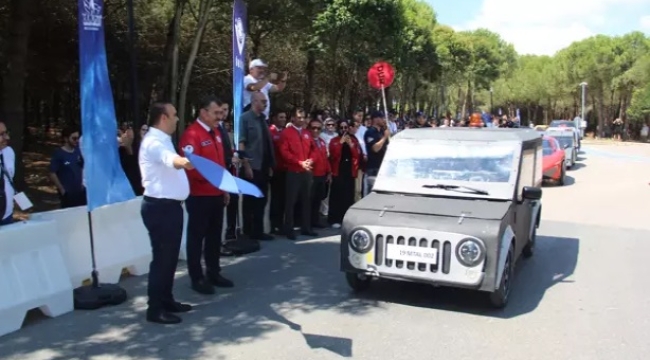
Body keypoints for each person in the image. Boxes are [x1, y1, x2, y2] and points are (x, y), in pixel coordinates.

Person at [139, 102, 193, 325]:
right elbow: (169, 160)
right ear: (163, 117)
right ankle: (155, 309)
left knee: (170, 259)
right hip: (160, 208)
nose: (177, 119)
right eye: (173, 115)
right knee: (162, 260)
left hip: (170, 207)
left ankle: (167, 299)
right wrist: (185, 161)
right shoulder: (153, 142)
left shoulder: (163, 139)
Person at [179, 96, 234, 295]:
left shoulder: (217, 133)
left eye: (221, 113)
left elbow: (219, 163)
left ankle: (214, 272)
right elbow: (191, 168)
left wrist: (223, 188)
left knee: (213, 236)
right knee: (197, 238)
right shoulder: (192, 134)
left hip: (216, 194)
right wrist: (214, 182)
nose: (220, 117)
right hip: (200, 195)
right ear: (203, 112)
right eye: (216, 113)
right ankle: (196, 277)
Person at [238, 92, 275, 241]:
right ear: (254, 101)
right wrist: (246, 164)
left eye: (266, 101)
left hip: (264, 166)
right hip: (251, 166)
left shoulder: (263, 120)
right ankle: (248, 232)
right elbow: (242, 142)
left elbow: (267, 144)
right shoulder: (245, 118)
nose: (265, 104)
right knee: (249, 201)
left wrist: (271, 164)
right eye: (263, 101)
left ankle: (258, 231)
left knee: (262, 200)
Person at [279, 107, 317, 240]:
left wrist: (310, 160)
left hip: (306, 172)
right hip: (293, 171)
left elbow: (314, 149)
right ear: (293, 118)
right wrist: (299, 162)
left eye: (303, 117)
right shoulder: (286, 133)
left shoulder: (307, 133)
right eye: (299, 117)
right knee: (291, 201)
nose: (301, 120)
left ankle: (306, 227)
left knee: (307, 200)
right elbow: (284, 152)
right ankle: (289, 228)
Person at [328, 119, 363, 228]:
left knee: (348, 195)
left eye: (345, 127)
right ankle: (334, 219)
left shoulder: (353, 140)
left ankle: (345, 218)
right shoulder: (334, 140)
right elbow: (333, 155)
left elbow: (357, 155)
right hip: (338, 171)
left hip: (349, 171)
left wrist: (351, 145)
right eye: (341, 127)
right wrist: (340, 143)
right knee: (336, 196)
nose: (343, 130)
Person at [49, 127, 86, 208]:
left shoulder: (78, 151)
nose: (77, 141)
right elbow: (52, 173)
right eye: (74, 138)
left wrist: (83, 183)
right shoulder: (59, 154)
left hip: (80, 191)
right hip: (68, 193)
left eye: (78, 138)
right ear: (66, 139)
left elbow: (82, 166)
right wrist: (62, 189)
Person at [308, 119, 331, 228]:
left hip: (322, 175)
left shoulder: (321, 141)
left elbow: (325, 158)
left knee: (318, 199)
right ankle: (307, 223)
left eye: (318, 128)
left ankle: (315, 221)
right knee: (309, 200)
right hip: (311, 175)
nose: (316, 130)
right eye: (313, 128)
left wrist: (329, 172)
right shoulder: (307, 141)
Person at [269, 111, 288, 234]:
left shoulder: (285, 132)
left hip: (286, 169)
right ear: (274, 118)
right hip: (275, 169)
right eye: (280, 117)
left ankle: (281, 224)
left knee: (283, 198)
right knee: (275, 198)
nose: (283, 119)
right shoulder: (270, 131)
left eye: (285, 118)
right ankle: (273, 224)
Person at [364, 111, 390, 194]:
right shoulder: (370, 132)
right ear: (376, 119)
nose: (384, 120)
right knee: (372, 191)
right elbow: (375, 148)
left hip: (382, 165)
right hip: (373, 167)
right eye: (382, 118)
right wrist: (384, 137)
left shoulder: (382, 131)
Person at [0, 121, 15, 226]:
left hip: (7, 215)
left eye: (6, 133)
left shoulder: (9, 152)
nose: (7, 137)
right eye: (1, 134)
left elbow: (9, 179)